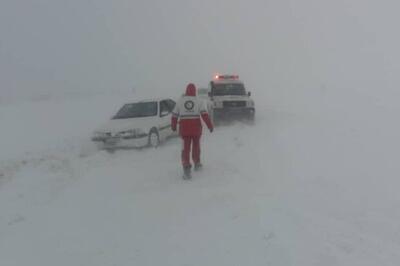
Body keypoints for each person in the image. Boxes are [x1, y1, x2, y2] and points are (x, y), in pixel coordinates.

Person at [171, 83, 214, 179]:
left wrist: (173, 126)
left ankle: (186, 167)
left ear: (186, 90)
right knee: (196, 147)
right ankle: (197, 163)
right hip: (196, 130)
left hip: (184, 130)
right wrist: (210, 126)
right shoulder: (199, 101)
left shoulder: (180, 101)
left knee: (185, 149)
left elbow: (174, 115)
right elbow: (204, 115)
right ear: (195, 91)